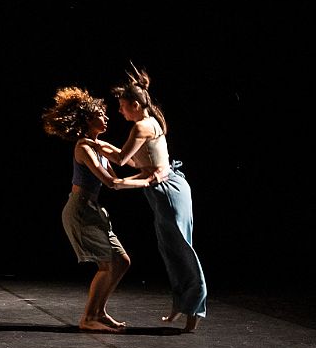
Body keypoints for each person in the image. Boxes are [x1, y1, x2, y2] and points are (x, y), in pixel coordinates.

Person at [87, 67, 208, 333]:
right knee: (170, 250)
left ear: (135, 105)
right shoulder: (149, 122)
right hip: (162, 189)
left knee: (181, 249)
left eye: (122, 107)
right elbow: (136, 162)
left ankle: (194, 310)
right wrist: (103, 147)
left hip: (168, 191)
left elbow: (124, 161)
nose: (120, 112)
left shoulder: (142, 127)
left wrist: (101, 151)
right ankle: (181, 304)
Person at [40, 86, 151, 333]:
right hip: (80, 211)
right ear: (88, 120)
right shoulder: (84, 147)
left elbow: (128, 161)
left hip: (93, 209)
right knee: (107, 265)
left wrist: (149, 163)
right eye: (101, 114)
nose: (107, 117)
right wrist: (146, 182)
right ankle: (88, 318)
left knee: (121, 261)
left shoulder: (99, 145)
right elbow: (110, 182)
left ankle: (99, 312)